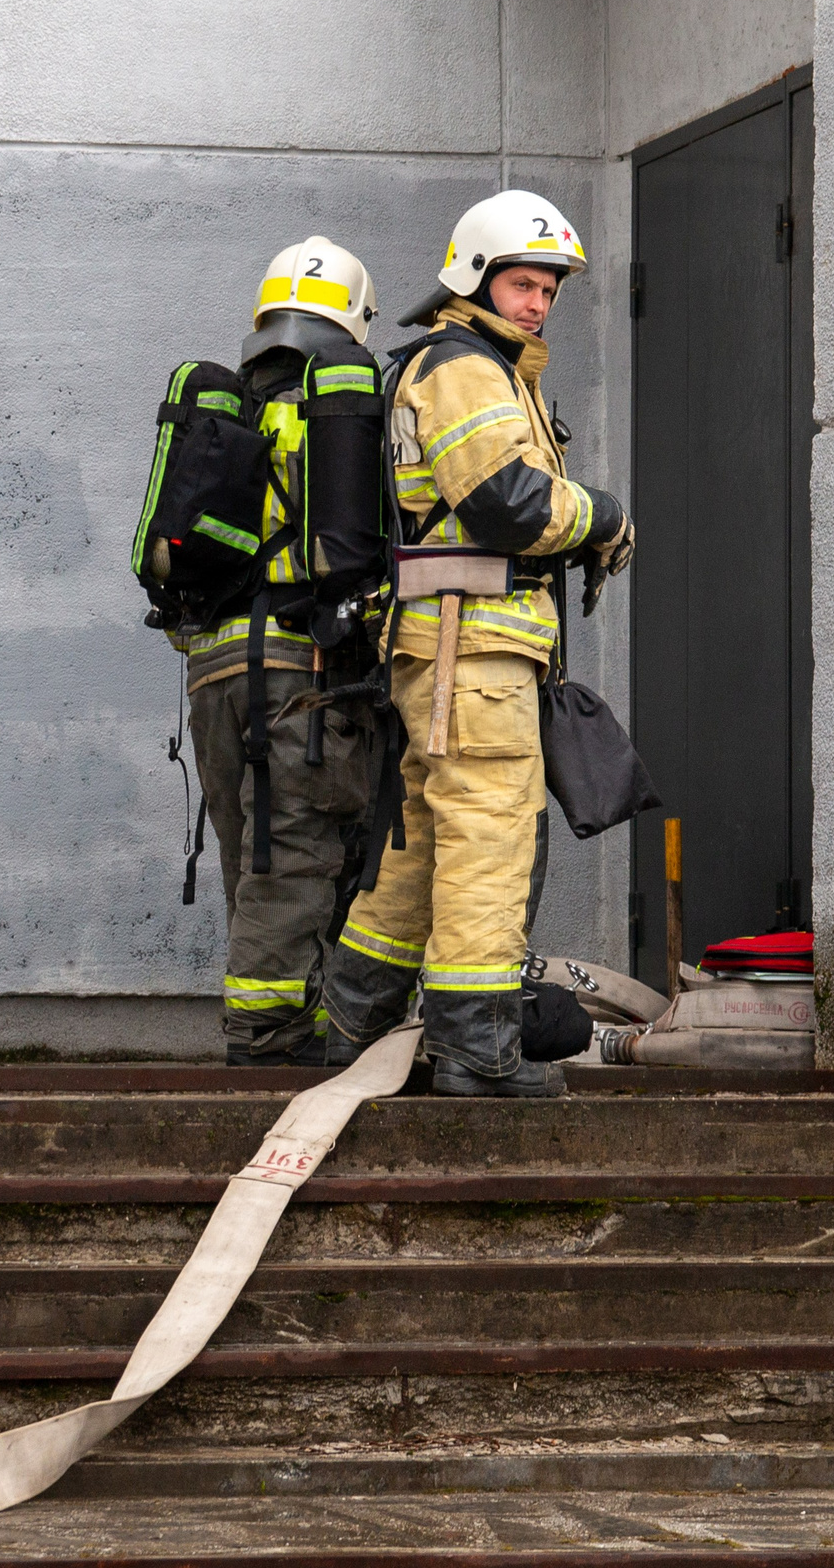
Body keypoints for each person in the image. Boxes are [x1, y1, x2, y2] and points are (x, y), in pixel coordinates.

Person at [318, 190, 635, 1096]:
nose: (539, 304)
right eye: (523, 284)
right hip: (474, 656)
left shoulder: (482, 364)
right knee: (490, 840)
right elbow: (508, 502)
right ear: (474, 278)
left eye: (550, 289)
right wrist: (603, 515)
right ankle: (476, 1050)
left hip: (452, 653)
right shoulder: (463, 366)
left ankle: (353, 1026)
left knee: (421, 845)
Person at [174, 237, 385, 1064]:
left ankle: (286, 1015)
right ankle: (267, 1035)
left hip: (212, 669)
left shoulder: (227, 414)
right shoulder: (339, 411)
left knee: (250, 853)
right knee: (292, 855)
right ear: (353, 319)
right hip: (301, 669)